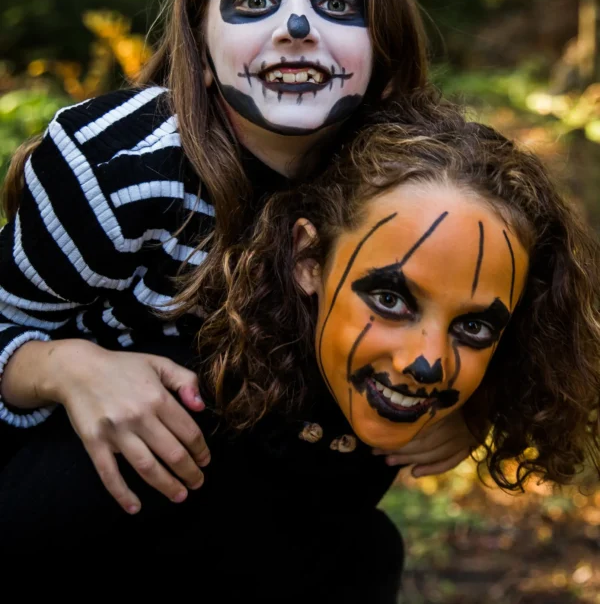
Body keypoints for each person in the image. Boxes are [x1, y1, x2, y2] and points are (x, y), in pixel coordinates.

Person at [1, 94, 598, 604]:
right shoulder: (159, 425)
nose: (427, 363)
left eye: (473, 328)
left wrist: (480, 406)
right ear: (308, 258)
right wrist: (54, 367)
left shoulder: (363, 515)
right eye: (391, 299)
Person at [0, 0, 473, 517]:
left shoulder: (423, 184)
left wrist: (469, 402)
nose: (297, 27)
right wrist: (67, 368)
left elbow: (502, 316)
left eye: (337, 2)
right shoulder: (114, 168)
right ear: (200, 45)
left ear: (383, 49)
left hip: (294, 522)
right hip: (82, 510)